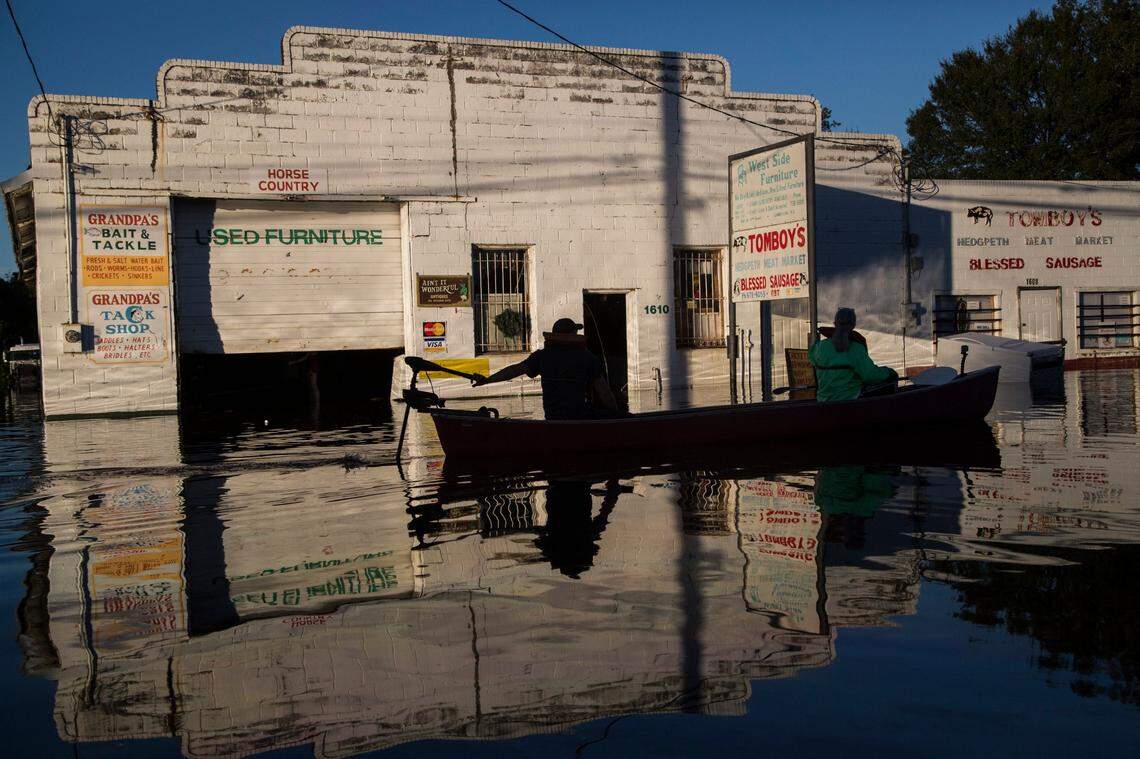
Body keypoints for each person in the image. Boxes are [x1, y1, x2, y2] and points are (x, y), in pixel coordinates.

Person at [472, 318, 620, 420]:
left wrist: (486, 380)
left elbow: (514, 370)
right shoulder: (587, 357)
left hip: (553, 417)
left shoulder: (542, 357)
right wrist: (617, 417)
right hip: (579, 416)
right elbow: (605, 393)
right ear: (573, 335)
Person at [808, 307, 897, 402]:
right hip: (851, 402)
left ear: (835, 324)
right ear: (853, 325)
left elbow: (812, 360)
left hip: (823, 401)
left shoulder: (819, 346)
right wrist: (888, 372)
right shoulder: (856, 349)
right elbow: (870, 376)